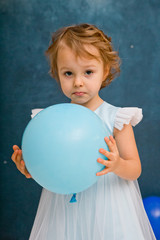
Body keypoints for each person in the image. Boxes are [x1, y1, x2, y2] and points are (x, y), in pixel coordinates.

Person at [11, 23, 156, 239]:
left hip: (109, 207)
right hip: (63, 212)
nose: (78, 82)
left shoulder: (116, 119)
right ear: (57, 74)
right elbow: (50, 167)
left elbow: (135, 169)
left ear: (104, 70)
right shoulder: (50, 123)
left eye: (88, 72)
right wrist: (31, 167)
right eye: (68, 73)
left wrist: (117, 164)